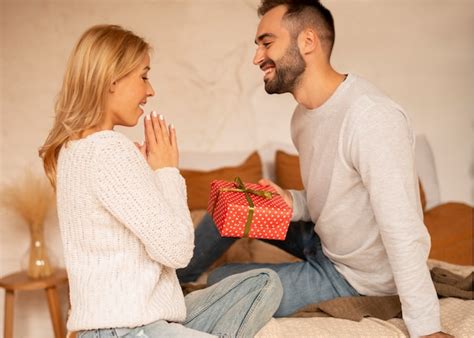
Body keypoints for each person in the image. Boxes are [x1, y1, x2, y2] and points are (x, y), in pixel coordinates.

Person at [177, 1, 452, 337]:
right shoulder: (303, 118)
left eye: (266, 43)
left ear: (307, 42)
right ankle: (169, 279)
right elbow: (337, 193)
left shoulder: (371, 118)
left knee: (223, 282)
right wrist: (293, 203)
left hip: (352, 275)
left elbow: (402, 227)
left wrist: (426, 328)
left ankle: (190, 284)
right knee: (234, 201)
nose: (256, 57)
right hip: (321, 238)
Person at [39, 24, 282, 338]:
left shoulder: (76, 150)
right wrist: (166, 171)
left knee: (263, 283)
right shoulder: (109, 150)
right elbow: (178, 251)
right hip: (126, 329)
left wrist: (146, 176)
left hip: (133, 323)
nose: (150, 90)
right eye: (143, 76)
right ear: (111, 79)